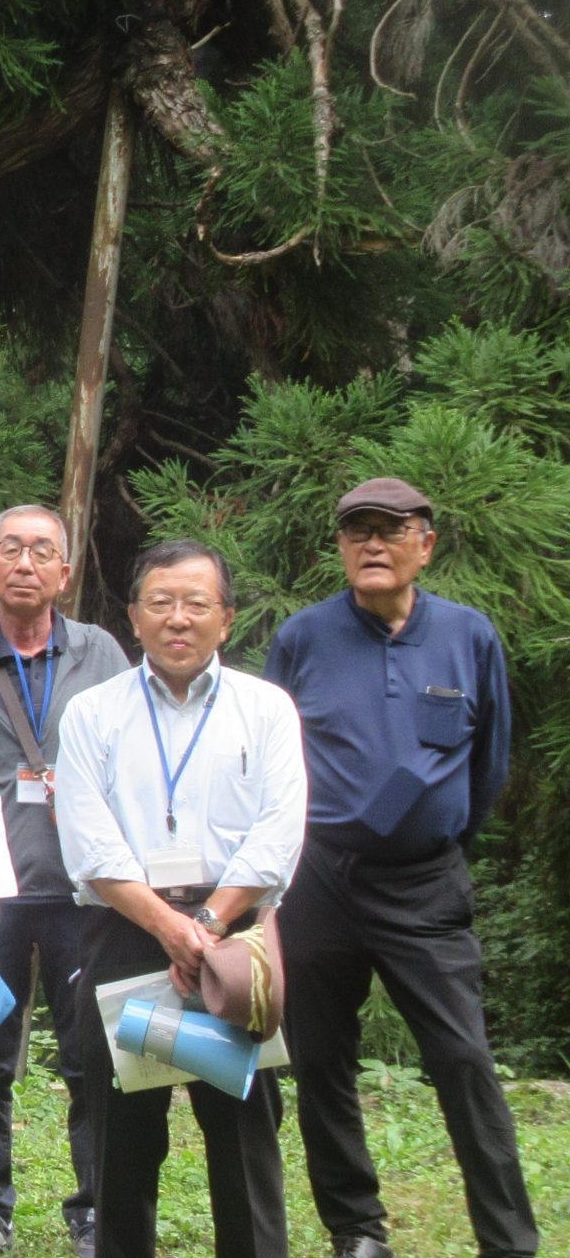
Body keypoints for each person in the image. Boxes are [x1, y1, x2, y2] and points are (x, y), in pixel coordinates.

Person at [265, 479, 536, 1258]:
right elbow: (277, 761)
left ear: (427, 542)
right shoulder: (304, 636)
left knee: (463, 1060)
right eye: (358, 532)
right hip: (318, 876)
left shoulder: (468, 635)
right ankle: (357, 1229)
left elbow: (489, 766)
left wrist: (441, 839)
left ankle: (509, 1239)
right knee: (322, 1060)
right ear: (342, 546)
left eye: (391, 530)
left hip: (423, 881)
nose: (373, 545)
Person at [53, 541, 305, 1258]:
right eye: (160, 602)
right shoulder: (93, 713)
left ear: (226, 618)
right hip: (131, 932)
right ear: (133, 617)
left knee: (243, 1129)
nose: (178, 618)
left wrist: (208, 923)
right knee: (124, 1138)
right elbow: (90, 843)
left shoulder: (266, 708)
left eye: (197, 603)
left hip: (233, 942)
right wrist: (170, 926)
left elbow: (279, 832)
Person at [0, 505, 129, 1258]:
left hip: (83, 888)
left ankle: (96, 1206)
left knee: (89, 1055)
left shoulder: (102, 653)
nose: (26, 562)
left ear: (64, 573)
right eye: (11, 548)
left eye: (43, 550)